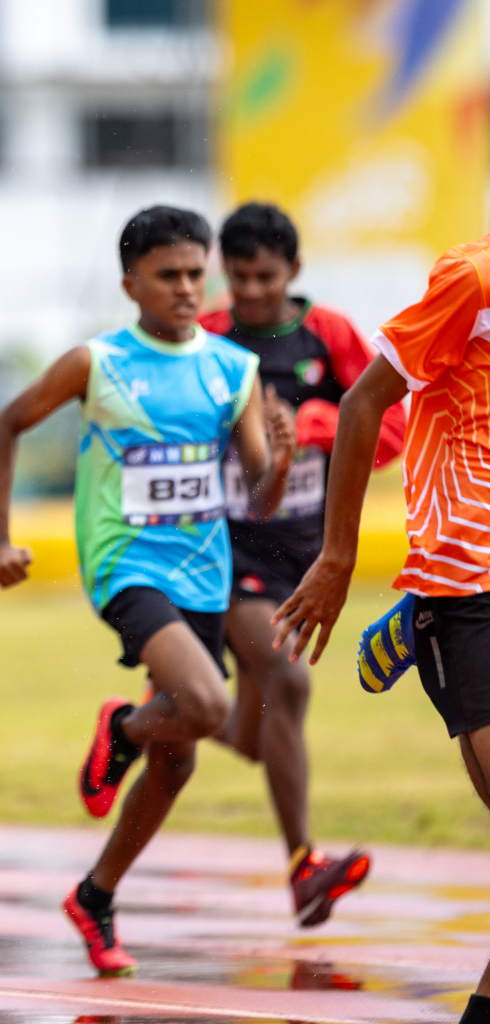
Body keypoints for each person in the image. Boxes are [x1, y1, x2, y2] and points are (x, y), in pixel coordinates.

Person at [0, 205, 295, 976]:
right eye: (169, 275)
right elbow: (6, 424)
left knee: (179, 762)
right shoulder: (98, 363)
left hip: (204, 571)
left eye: (197, 273)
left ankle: (95, 894)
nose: (188, 288)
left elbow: (257, 497)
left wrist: (280, 464)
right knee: (211, 706)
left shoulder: (233, 369)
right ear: (132, 284)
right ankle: (122, 727)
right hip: (125, 565)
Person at [274, 231, 490, 1024]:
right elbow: (367, 401)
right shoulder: (473, 280)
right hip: (469, 578)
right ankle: (420, 609)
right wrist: (336, 558)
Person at [198, 202, 404, 926]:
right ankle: (303, 868)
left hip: (305, 557)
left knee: (251, 727)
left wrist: (313, 429)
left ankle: (147, 721)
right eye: (239, 277)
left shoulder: (332, 336)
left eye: (265, 276)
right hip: (226, 555)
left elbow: (389, 435)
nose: (251, 292)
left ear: (295, 271)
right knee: (287, 679)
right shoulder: (210, 337)